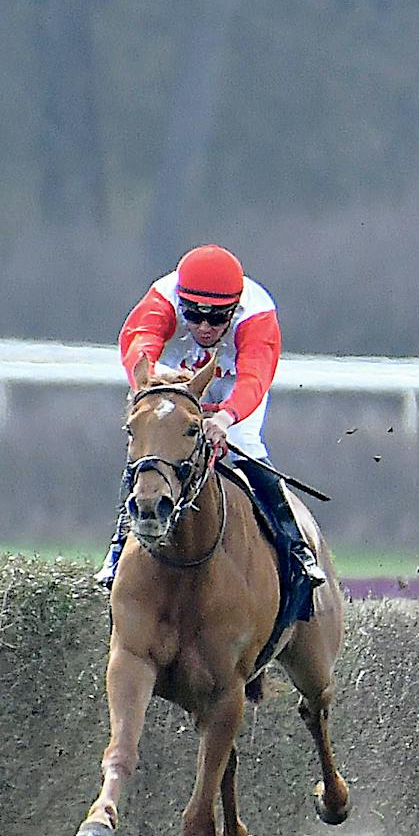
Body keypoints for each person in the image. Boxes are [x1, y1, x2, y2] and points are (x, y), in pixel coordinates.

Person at [96, 243, 325, 591]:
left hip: (234, 383)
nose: (204, 326)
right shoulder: (163, 295)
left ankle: (295, 548)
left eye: (218, 318)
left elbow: (255, 378)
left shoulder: (258, 313)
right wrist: (149, 383)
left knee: (244, 443)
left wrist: (226, 418)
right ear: (180, 302)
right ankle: (118, 547)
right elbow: (139, 339)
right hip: (175, 378)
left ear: (234, 309)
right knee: (153, 445)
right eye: (193, 314)